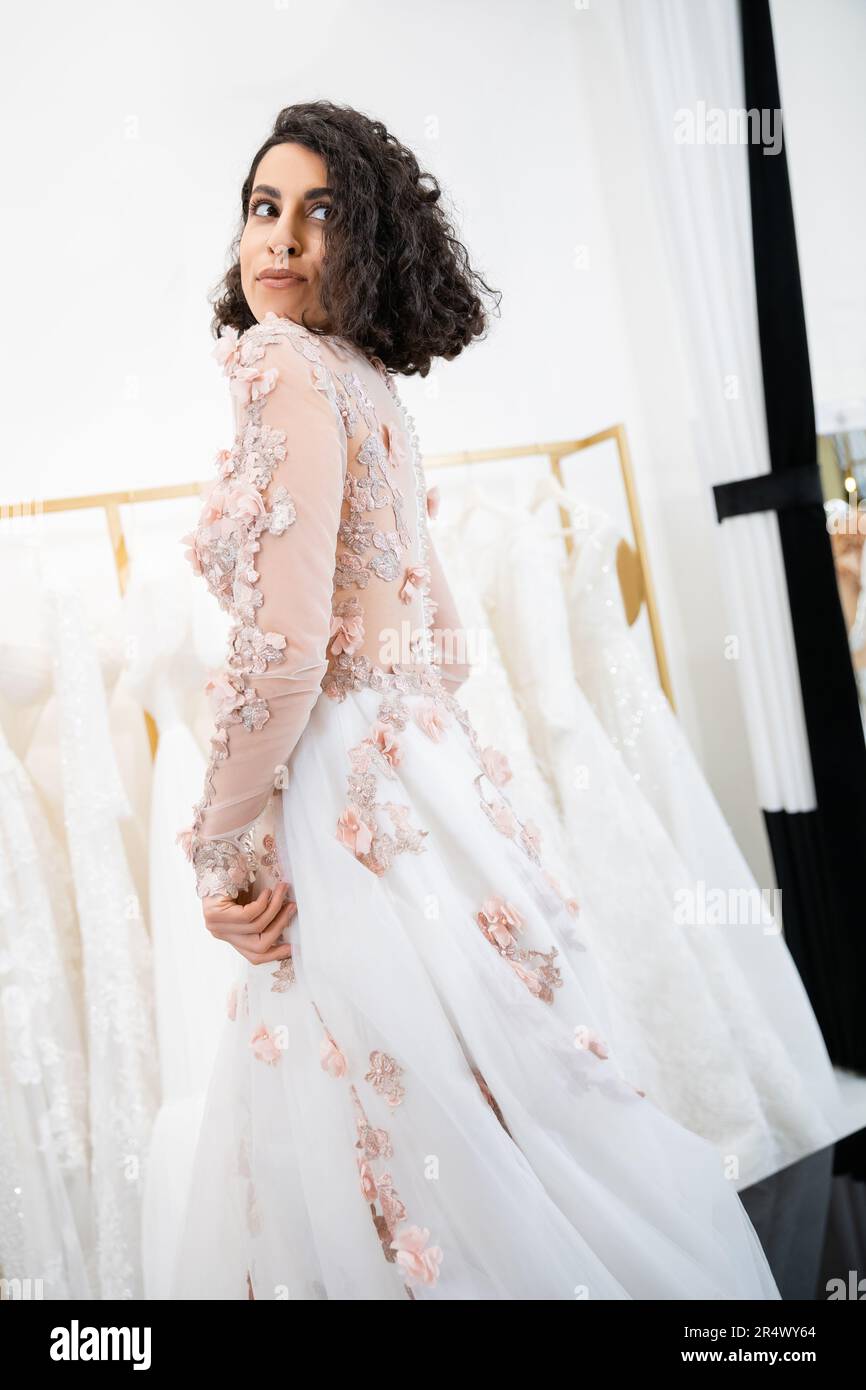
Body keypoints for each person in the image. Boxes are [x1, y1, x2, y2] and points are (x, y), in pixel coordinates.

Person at [171, 99, 781, 1301]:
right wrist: (419, 769)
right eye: (262, 207)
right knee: (496, 1108)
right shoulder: (371, 386)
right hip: (422, 777)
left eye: (320, 212)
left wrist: (218, 845)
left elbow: (287, 650)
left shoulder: (280, 362)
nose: (281, 238)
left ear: (367, 241)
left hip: (338, 790)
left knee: (385, 1128)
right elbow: (440, 643)